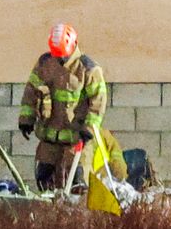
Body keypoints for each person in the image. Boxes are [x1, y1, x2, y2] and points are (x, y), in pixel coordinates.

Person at [18, 22, 114, 192]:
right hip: (49, 139)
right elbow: (31, 91)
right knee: (44, 181)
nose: (59, 59)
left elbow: (98, 101)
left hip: (76, 141)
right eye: (56, 54)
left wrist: (89, 129)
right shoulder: (45, 64)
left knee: (77, 184)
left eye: (62, 54)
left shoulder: (88, 69)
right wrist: (26, 119)